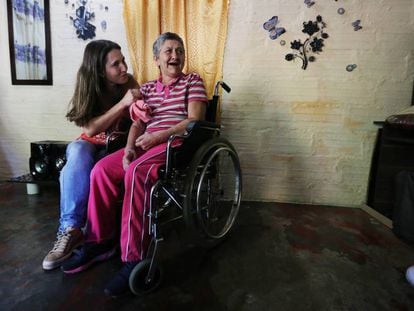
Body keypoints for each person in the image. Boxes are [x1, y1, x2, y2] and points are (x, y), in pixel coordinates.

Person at [61, 32, 208, 297]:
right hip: (144, 142)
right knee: (102, 170)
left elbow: (193, 120)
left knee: (138, 173)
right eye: (169, 51)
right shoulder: (147, 89)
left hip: (175, 143)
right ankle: (100, 240)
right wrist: (130, 148)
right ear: (157, 59)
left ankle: (134, 258)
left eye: (180, 51)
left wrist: (158, 136)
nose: (175, 56)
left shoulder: (193, 81)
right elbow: (138, 123)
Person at [42, 40, 140, 270]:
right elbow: (90, 129)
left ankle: (91, 234)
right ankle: (71, 230)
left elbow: (140, 119)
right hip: (92, 143)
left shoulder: (130, 82)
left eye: (123, 60)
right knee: (76, 151)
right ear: (99, 70)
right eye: (116, 64)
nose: (124, 67)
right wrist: (123, 104)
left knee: (82, 159)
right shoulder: (87, 86)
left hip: (119, 145)